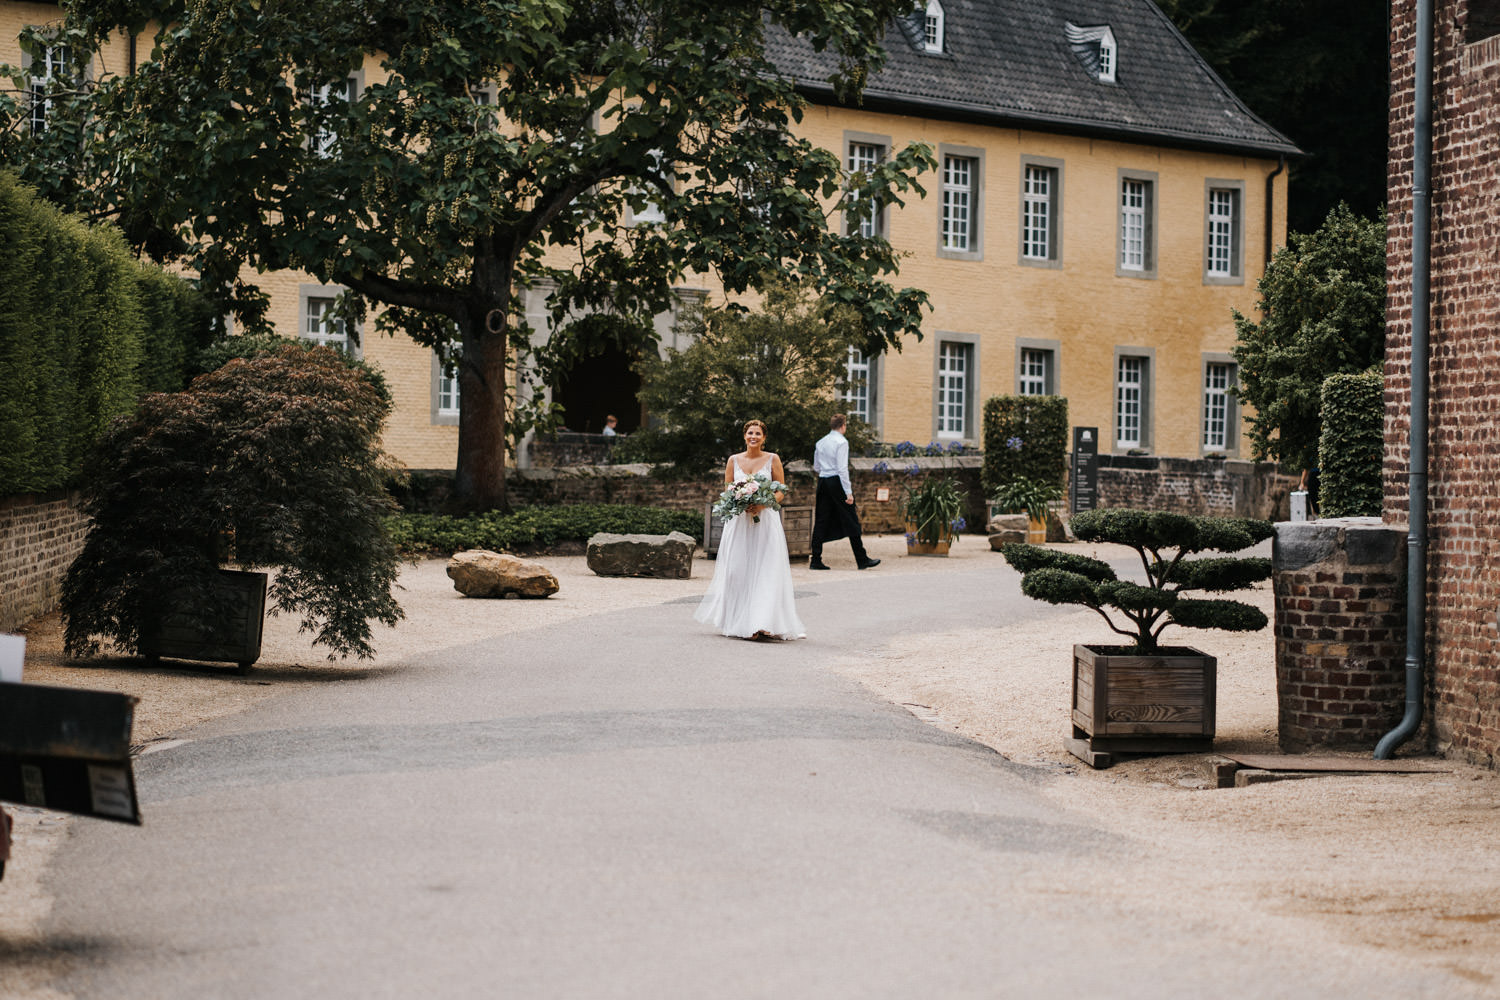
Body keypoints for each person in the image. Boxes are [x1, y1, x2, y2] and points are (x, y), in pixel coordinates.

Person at [694, 419, 806, 640]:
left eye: (758, 433)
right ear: (744, 436)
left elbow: (781, 490)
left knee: (766, 569)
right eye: (750, 433)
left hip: (765, 520)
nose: (753, 436)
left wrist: (763, 503)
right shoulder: (733, 461)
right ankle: (740, 620)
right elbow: (727, 490)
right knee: (738, 570)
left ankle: (763, 621)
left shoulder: (773, 459)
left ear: (764, 438)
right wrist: (740, 501)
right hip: (738, 522)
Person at [810, 413, 879, 571]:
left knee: (821, 519)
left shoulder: (820, 442)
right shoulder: (842, 442)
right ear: (843, 426)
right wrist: (848, 492)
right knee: (851, 519)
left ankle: (815, 559)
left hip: (823, 481)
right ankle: (862, 560)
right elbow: (842, 469)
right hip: (836, 482)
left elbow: (816, 467)